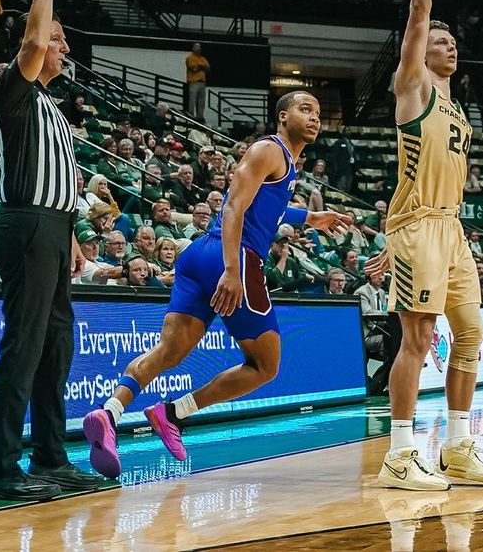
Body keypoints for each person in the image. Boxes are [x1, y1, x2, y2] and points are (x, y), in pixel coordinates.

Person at [81, 91, 351, 479]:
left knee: (169, 352)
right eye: (304, 109)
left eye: (318, 112)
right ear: (281, 116)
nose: (314, 118)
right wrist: (231, 270)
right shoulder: (269, 150)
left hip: (198, 256)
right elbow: (233, 207)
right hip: (233, 256)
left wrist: (310, 216)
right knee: (265, 366)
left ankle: (110, 411)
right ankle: (173, 412)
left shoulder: (284, 161)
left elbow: (266, 207)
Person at [362, 0, 483, 492]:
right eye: (440, 41)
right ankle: (399, 454)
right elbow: (419, 14)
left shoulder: (456, 107)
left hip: (451, 227)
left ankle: (456, 447)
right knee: (417, 338)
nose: (448, 46)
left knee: (470, 333)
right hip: (417, 224)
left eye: (451, 43)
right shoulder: (413, 86)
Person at [0, 0, 104, 501]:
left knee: (56, 349)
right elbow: (30, 44)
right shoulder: (13, 91)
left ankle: (51, 457)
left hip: (54, 229)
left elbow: (63, 184)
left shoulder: (53, 108)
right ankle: (2, 471)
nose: (63, 49)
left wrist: (74, 235)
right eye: (59, 40)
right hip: (25, 224)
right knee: (25, 348)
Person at [184, 42, 210, 122]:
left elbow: (208, 69)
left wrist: (200, 66)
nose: (198, 48)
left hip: (202, 82)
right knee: (192, 100)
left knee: (201, 102)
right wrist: (202, 67)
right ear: (193, 48)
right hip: (193, 82)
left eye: (199, 47)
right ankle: (191, 116)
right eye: (196, 47)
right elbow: (193, 69)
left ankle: (200, 117)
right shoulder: (190, 57)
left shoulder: (202, 58)